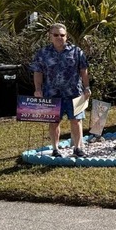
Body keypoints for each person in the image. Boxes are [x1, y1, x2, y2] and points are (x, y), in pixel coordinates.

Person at [30, 23, 91, 157]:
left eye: (62, 35)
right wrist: (37, 89)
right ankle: (55, 149)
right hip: (52, 94)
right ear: (50, 36)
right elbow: (38, 72)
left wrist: (87, 87)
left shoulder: (76, 51)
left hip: (75, 93)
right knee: (54, 122)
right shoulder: (43, 53)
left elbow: (83, 70)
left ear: (66, 36)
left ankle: (78, 148)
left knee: (76, 121)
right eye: (56, 35)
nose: (59, 37)